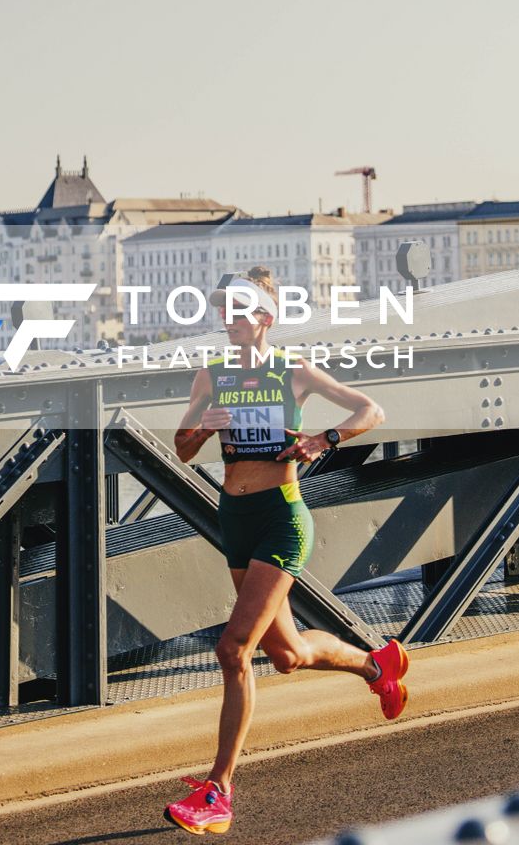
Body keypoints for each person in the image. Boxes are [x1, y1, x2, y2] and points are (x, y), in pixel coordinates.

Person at [162, 266, 408, 836]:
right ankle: (379, 666)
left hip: (281, 519)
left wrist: (327, 438)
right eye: (222, 309)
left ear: (265, 318)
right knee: (287, 655)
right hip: (236, 520)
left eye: (239, 309)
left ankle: (219, 790)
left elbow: (371, 410)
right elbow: (180, 447)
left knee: (233, 650)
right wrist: (204, 429)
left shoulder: (291, 372)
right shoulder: (212, 375)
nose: (228, 319)